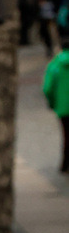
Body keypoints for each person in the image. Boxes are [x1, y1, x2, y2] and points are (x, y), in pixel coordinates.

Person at [43, 38, 69, 173]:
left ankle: (65, 163)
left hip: (64, 107)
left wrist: (53, 103)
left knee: (66, 134)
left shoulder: (55, 65)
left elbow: (47, 88)